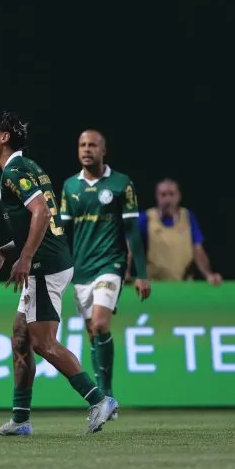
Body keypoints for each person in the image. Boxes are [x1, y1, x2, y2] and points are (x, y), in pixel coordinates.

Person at [0, 112, 118, 436]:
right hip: (52, 258)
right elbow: (40, 222)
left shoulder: (14, 169)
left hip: (44, 265)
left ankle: (98, 399)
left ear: (5, 137)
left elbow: (40, 212)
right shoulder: (29, 166)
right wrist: (5, 251)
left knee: (42, 342)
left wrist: (24, 258)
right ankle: (21, 420)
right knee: (20, 336)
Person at [59, 130, 151, 406]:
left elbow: (132, 231)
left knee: (100, 323)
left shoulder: (122, 183)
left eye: (92, 145)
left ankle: (107, 394)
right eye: (82, 145)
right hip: (82, 269)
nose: (87, 149)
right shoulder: (70, 186)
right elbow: (62, 231)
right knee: (92, 332)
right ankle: (102, 398)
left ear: (103, 150)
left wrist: (141, 274)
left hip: (111, 265)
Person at [138, 179, 222, 284]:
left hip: (184, 285)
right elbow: (130, 246)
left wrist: (208, 274)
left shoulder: (187, 217)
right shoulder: (146, 218)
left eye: (171, 194)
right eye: (163, 195)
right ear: (157, 196)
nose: (168, 199)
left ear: (179, 196)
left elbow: (198, 250)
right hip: (155, 285)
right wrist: (124, 273)